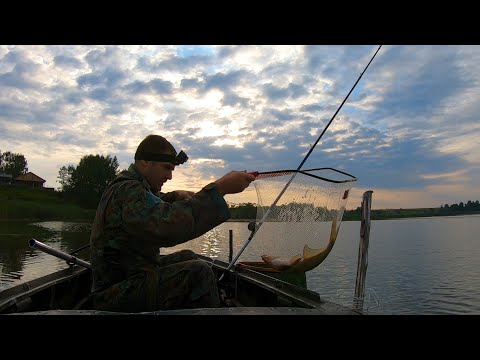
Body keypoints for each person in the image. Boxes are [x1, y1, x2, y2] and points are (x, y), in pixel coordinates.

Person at [89, 134, 255, 313]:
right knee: (199, 272)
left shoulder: (129, 187)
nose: (169, 176)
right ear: (145, 162)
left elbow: (149, 204)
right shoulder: (129, 190)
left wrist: (174, 196)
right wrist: (219, 189)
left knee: (188, 256)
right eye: (166, 168)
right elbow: (166, 227)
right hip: (116, 293)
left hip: (130, 276)